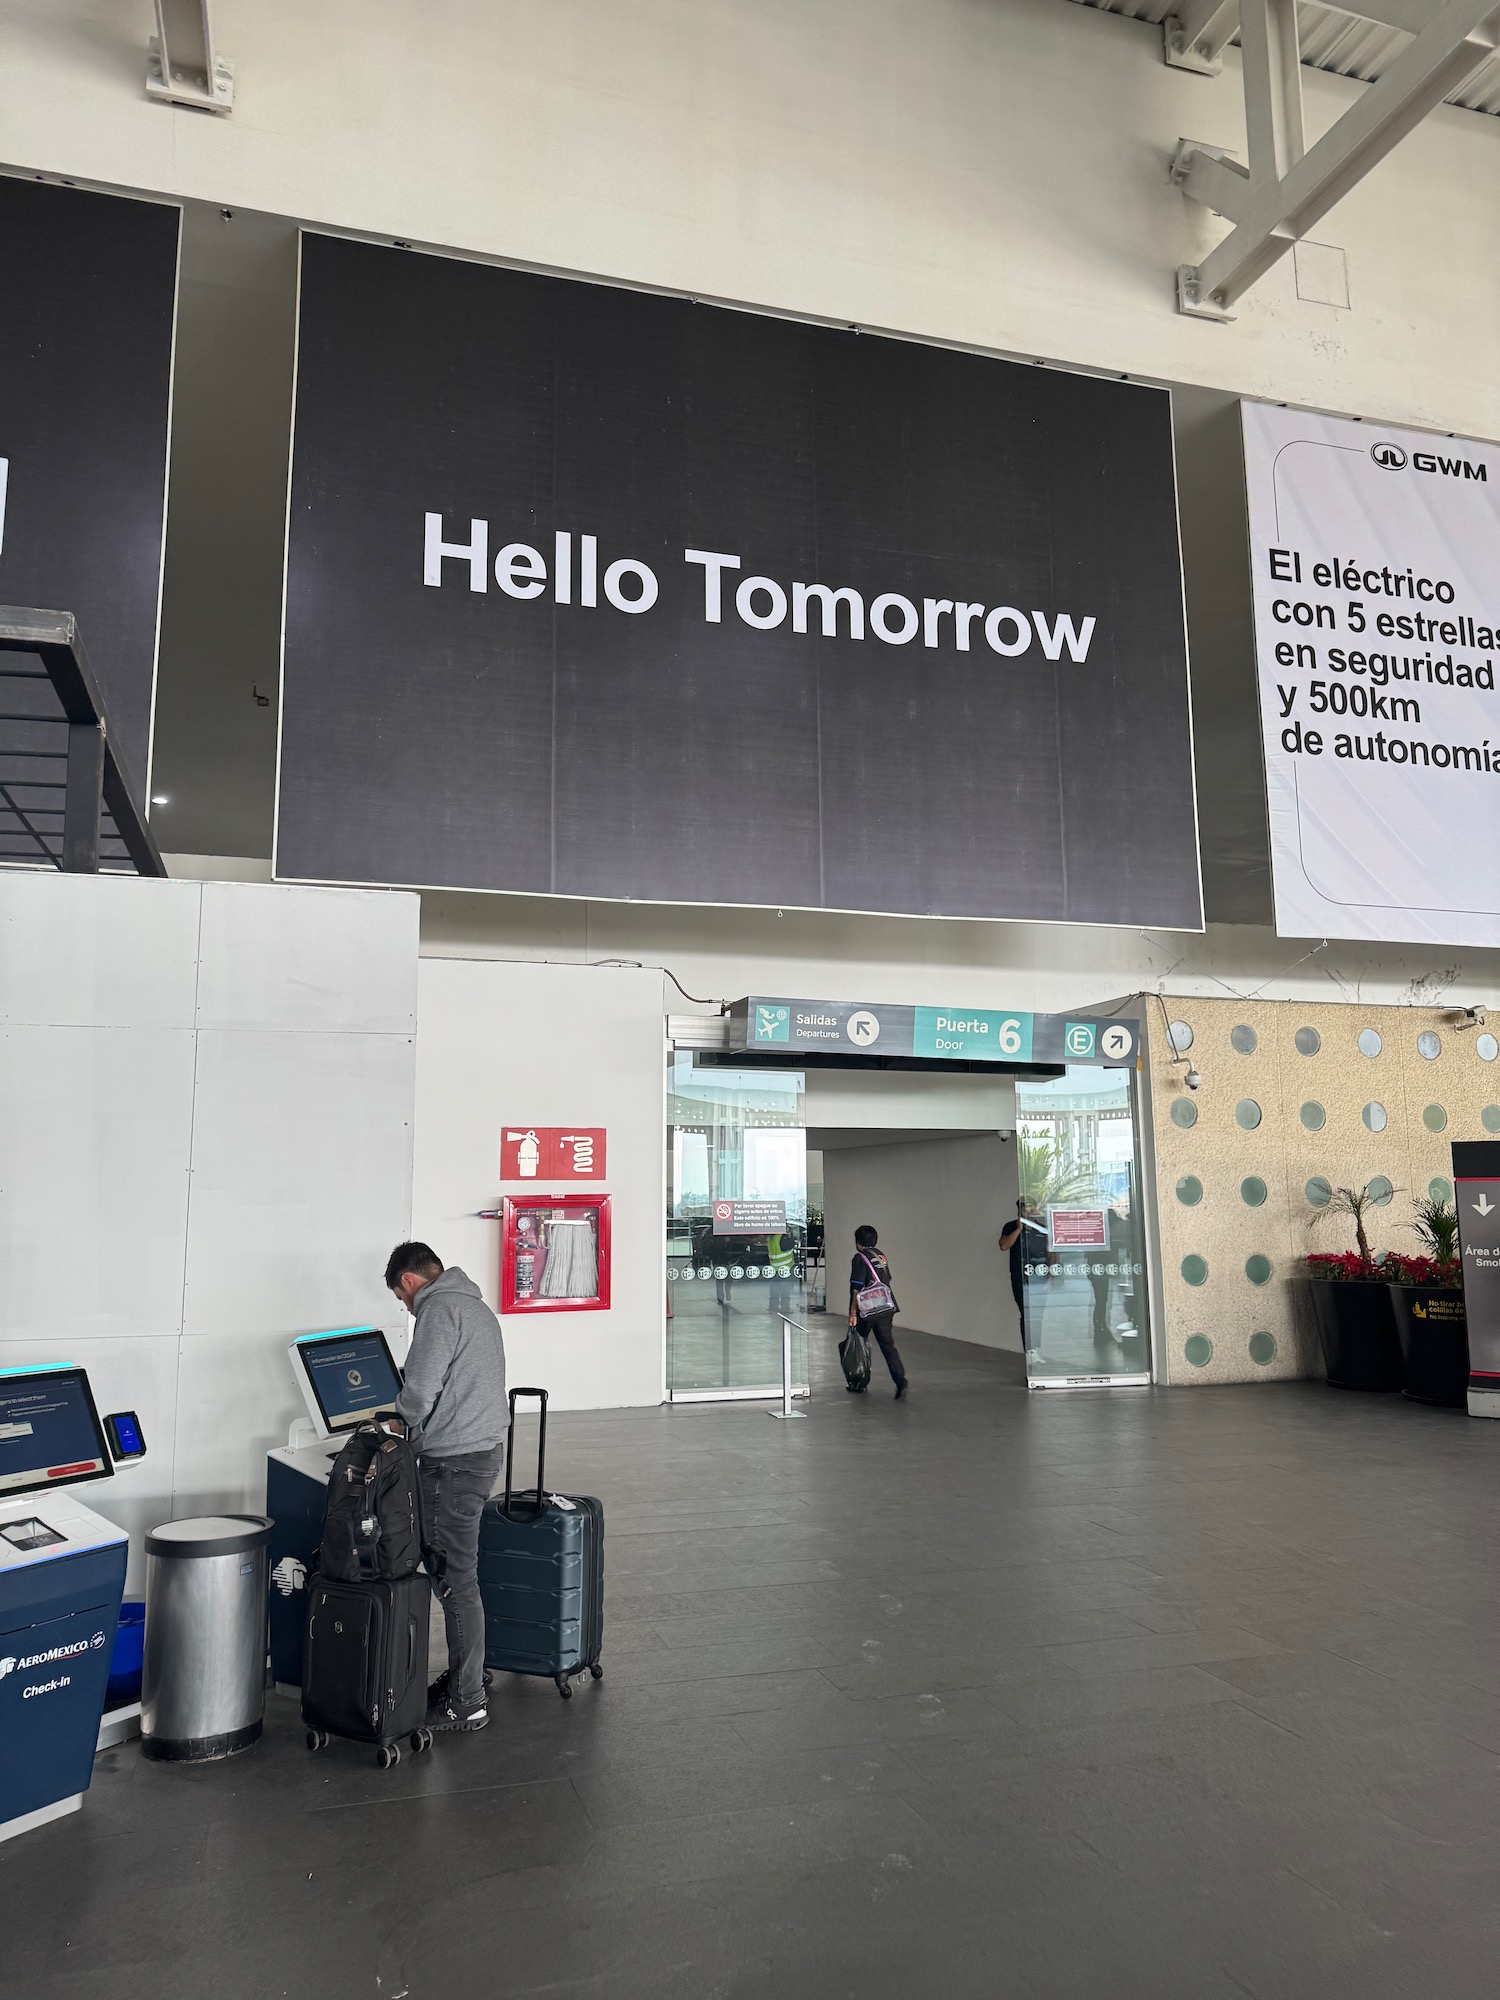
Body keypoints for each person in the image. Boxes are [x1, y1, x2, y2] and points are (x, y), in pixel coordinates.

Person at [384, 1241, 508, 1733]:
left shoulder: (438, 1311)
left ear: (410, 1282)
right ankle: (470, 1676)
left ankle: (467, 1700)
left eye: (401, 1298)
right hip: (480, 1451)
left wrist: (397, 1420)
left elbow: (420, 1390)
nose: (406, 1307)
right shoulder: (475, 1307)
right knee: (462, 1576)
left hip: (454, 1462)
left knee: (454, 1580)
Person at [849, 1224, 908, 1399]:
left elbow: (856, 1287)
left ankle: (859, 1381)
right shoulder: (880, 1256)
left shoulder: (860, 1258)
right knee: (888, 1346)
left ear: (858, 1242)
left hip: (867, 1310)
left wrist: (852, 1312)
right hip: (885, 1307)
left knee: (860, 1345)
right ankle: (900, 1380)